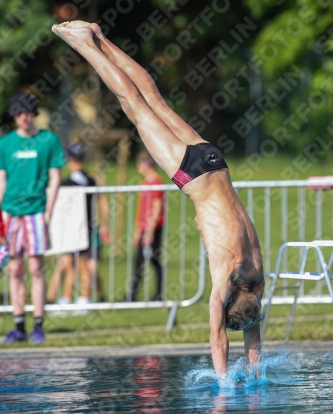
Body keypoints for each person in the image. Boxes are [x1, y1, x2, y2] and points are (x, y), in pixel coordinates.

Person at [52, 21, 264, 377]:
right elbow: (217, 338)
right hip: (191, 175)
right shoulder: (226, 277)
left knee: (152, 99)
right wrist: (225, 383)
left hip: (214, 163)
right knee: (132, 105)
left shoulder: (257, 274)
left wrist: (256, 371)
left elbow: (253, 334)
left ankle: (100, 35)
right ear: (230, 301)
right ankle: (84, 45)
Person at [0, 92, 66, 343]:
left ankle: (38, 324)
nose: (23, 117)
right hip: (11, 213)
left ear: (33, 113)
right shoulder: (5, 144)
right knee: (14, 268)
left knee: (36, 267)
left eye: (26, 112)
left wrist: (48, 210)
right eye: (18, 113)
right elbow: (1, 180)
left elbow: (55, 178)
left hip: (36, 210)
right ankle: (19, 326)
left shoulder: (48, 140)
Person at [47, 143, 109, 309]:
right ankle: (65, 298)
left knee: (78, 264)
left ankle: (82, 299)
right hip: (84, 227)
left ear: (69, 159)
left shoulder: (67, 183)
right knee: (72, 263)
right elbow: (103, 202)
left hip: (77, 229)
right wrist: (105, 224)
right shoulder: (91, 180)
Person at [128, 150, 164, 302]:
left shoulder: (157, 182)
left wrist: (150, 231)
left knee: (153, 260)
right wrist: (138, 230)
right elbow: (141, 208)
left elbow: (157, 207)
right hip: (144, 228)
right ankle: (133, 294)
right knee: (139, 261)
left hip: (153, 228)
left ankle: (157, 294)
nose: (138, 168)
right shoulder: (144, 183)